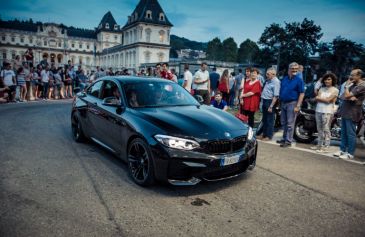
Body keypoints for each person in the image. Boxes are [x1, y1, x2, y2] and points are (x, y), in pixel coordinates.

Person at [334, 69, 365, 159]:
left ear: (359, 75)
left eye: (352, 75)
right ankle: (342, 150)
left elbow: (347, 95)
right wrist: (349, 95)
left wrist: (347, 88)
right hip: (346, 110)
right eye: (350, 75)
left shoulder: (362, 85)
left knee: (350, 133)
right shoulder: (353, 85)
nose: (350, 77)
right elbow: (342, 96)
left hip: (353, 112)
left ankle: (350, 153)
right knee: (343, 132)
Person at [277, 62, 305, 147]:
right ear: (289, 69)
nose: (294, 70)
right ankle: (284, 138)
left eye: (296, 69)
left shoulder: (299, 80)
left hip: (292, 103)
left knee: (290, 123)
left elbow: (301, 93)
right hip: (283, 103)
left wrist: (298, 106)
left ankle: (288, 141)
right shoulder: (285, 79)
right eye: (292, 68)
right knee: (283, 122)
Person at [311, 73, 339, 153]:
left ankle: (326, 146)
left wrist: (319, 98)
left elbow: (328, 101)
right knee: (319, 129)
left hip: (327, 112)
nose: (327, 81)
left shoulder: (335, 90)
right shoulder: (321, 88)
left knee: (326, 129)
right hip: (318, 110)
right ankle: (319, 145)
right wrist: (322, 98)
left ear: (333, 80)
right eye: (326, 79)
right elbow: (319, 98)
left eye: (329, 79)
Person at [258, 67, 281, 141]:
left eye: (268, 74)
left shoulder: (276, 82)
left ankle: (269, 136)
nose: (266, 75)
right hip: (265, 100)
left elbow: (276, 95)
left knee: (270, 120)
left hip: (270, 102)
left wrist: (271, 106)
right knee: (264, 119)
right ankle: (264, 135)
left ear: (273, 74)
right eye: (266, 74)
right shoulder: (268, 80)